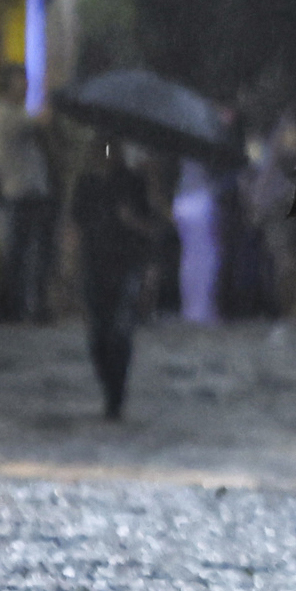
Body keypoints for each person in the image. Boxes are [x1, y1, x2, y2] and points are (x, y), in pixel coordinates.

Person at [71, 140, 166, 419]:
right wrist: (70, 263)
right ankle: (108, 381)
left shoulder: (134, 182)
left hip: (126, 264)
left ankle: (116, 395)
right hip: (94, 264)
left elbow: (154, 227)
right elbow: (75, 225)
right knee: (99, 334)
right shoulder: (86, 184)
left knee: (120, 332)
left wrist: (133, 220)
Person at [0, 65, 54, 322]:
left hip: (29, 191)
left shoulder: (15, 112)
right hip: (20, 192)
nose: (26, 86)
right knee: (19, 254)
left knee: (23, 253)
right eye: (21, 80)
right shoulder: (3, 114)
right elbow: (42, 120)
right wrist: (49, 94)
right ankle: (11, 309)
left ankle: (19, 307)